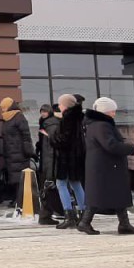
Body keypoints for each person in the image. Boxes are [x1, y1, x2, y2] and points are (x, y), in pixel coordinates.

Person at [78, 97, 134, 235]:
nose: (114, 114)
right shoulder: (102, 125)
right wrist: (133, 148)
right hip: (107, 166)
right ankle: (86, 222)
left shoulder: (95, 124)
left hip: (103, 166)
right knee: (106, 193)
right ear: (105, 112)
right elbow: (111, 145)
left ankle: (123, 223)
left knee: (112, 194)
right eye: (112, 111)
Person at [51, 94, 86, 229]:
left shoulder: (68, 119)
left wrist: (53, 138)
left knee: (61, 184)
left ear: (65, 105)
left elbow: (64, 140)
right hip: (76, 157)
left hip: (67, 158)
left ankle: (69, 215)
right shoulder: (78, 118)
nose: (59, 106)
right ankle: (84, 214)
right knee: (76, 184)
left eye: (60, 103)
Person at [0, 97, 36, 206]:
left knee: (20, 178)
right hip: (10, 153)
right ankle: (17, 198)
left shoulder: (19, 117)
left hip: (20, 152)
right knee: (14, 178)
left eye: (4, 107)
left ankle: (21, 200)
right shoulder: (7, 118)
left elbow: (26, 135)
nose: (2, 109)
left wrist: (28, 151)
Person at [37, 103, 60, 225]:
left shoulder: (49, 123)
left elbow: (50, 147)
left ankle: (46, 214)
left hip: (49, 161)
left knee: (48, 188)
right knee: (49, 188)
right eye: (41, 111)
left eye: (45, 111)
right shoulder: (48, 123)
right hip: (48, 161)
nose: (42, 113)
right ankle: (47, 214)